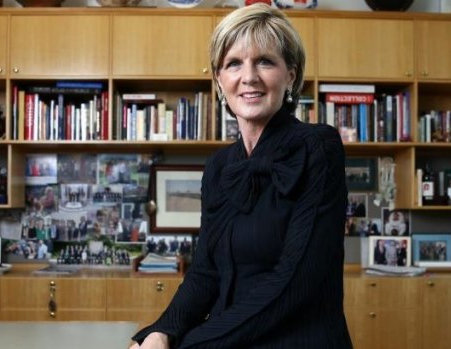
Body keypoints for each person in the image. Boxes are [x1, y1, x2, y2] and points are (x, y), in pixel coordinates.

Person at [130, 4, 352, 348]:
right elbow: (205, 272)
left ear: (290, 75)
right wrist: (162, 332)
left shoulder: (318, 147)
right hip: (227, 340)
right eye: (234, 63)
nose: (249, 77)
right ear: (220, 78)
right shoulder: (219, 167)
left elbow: (295, 280)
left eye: (265, 61)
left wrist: (191, 344)